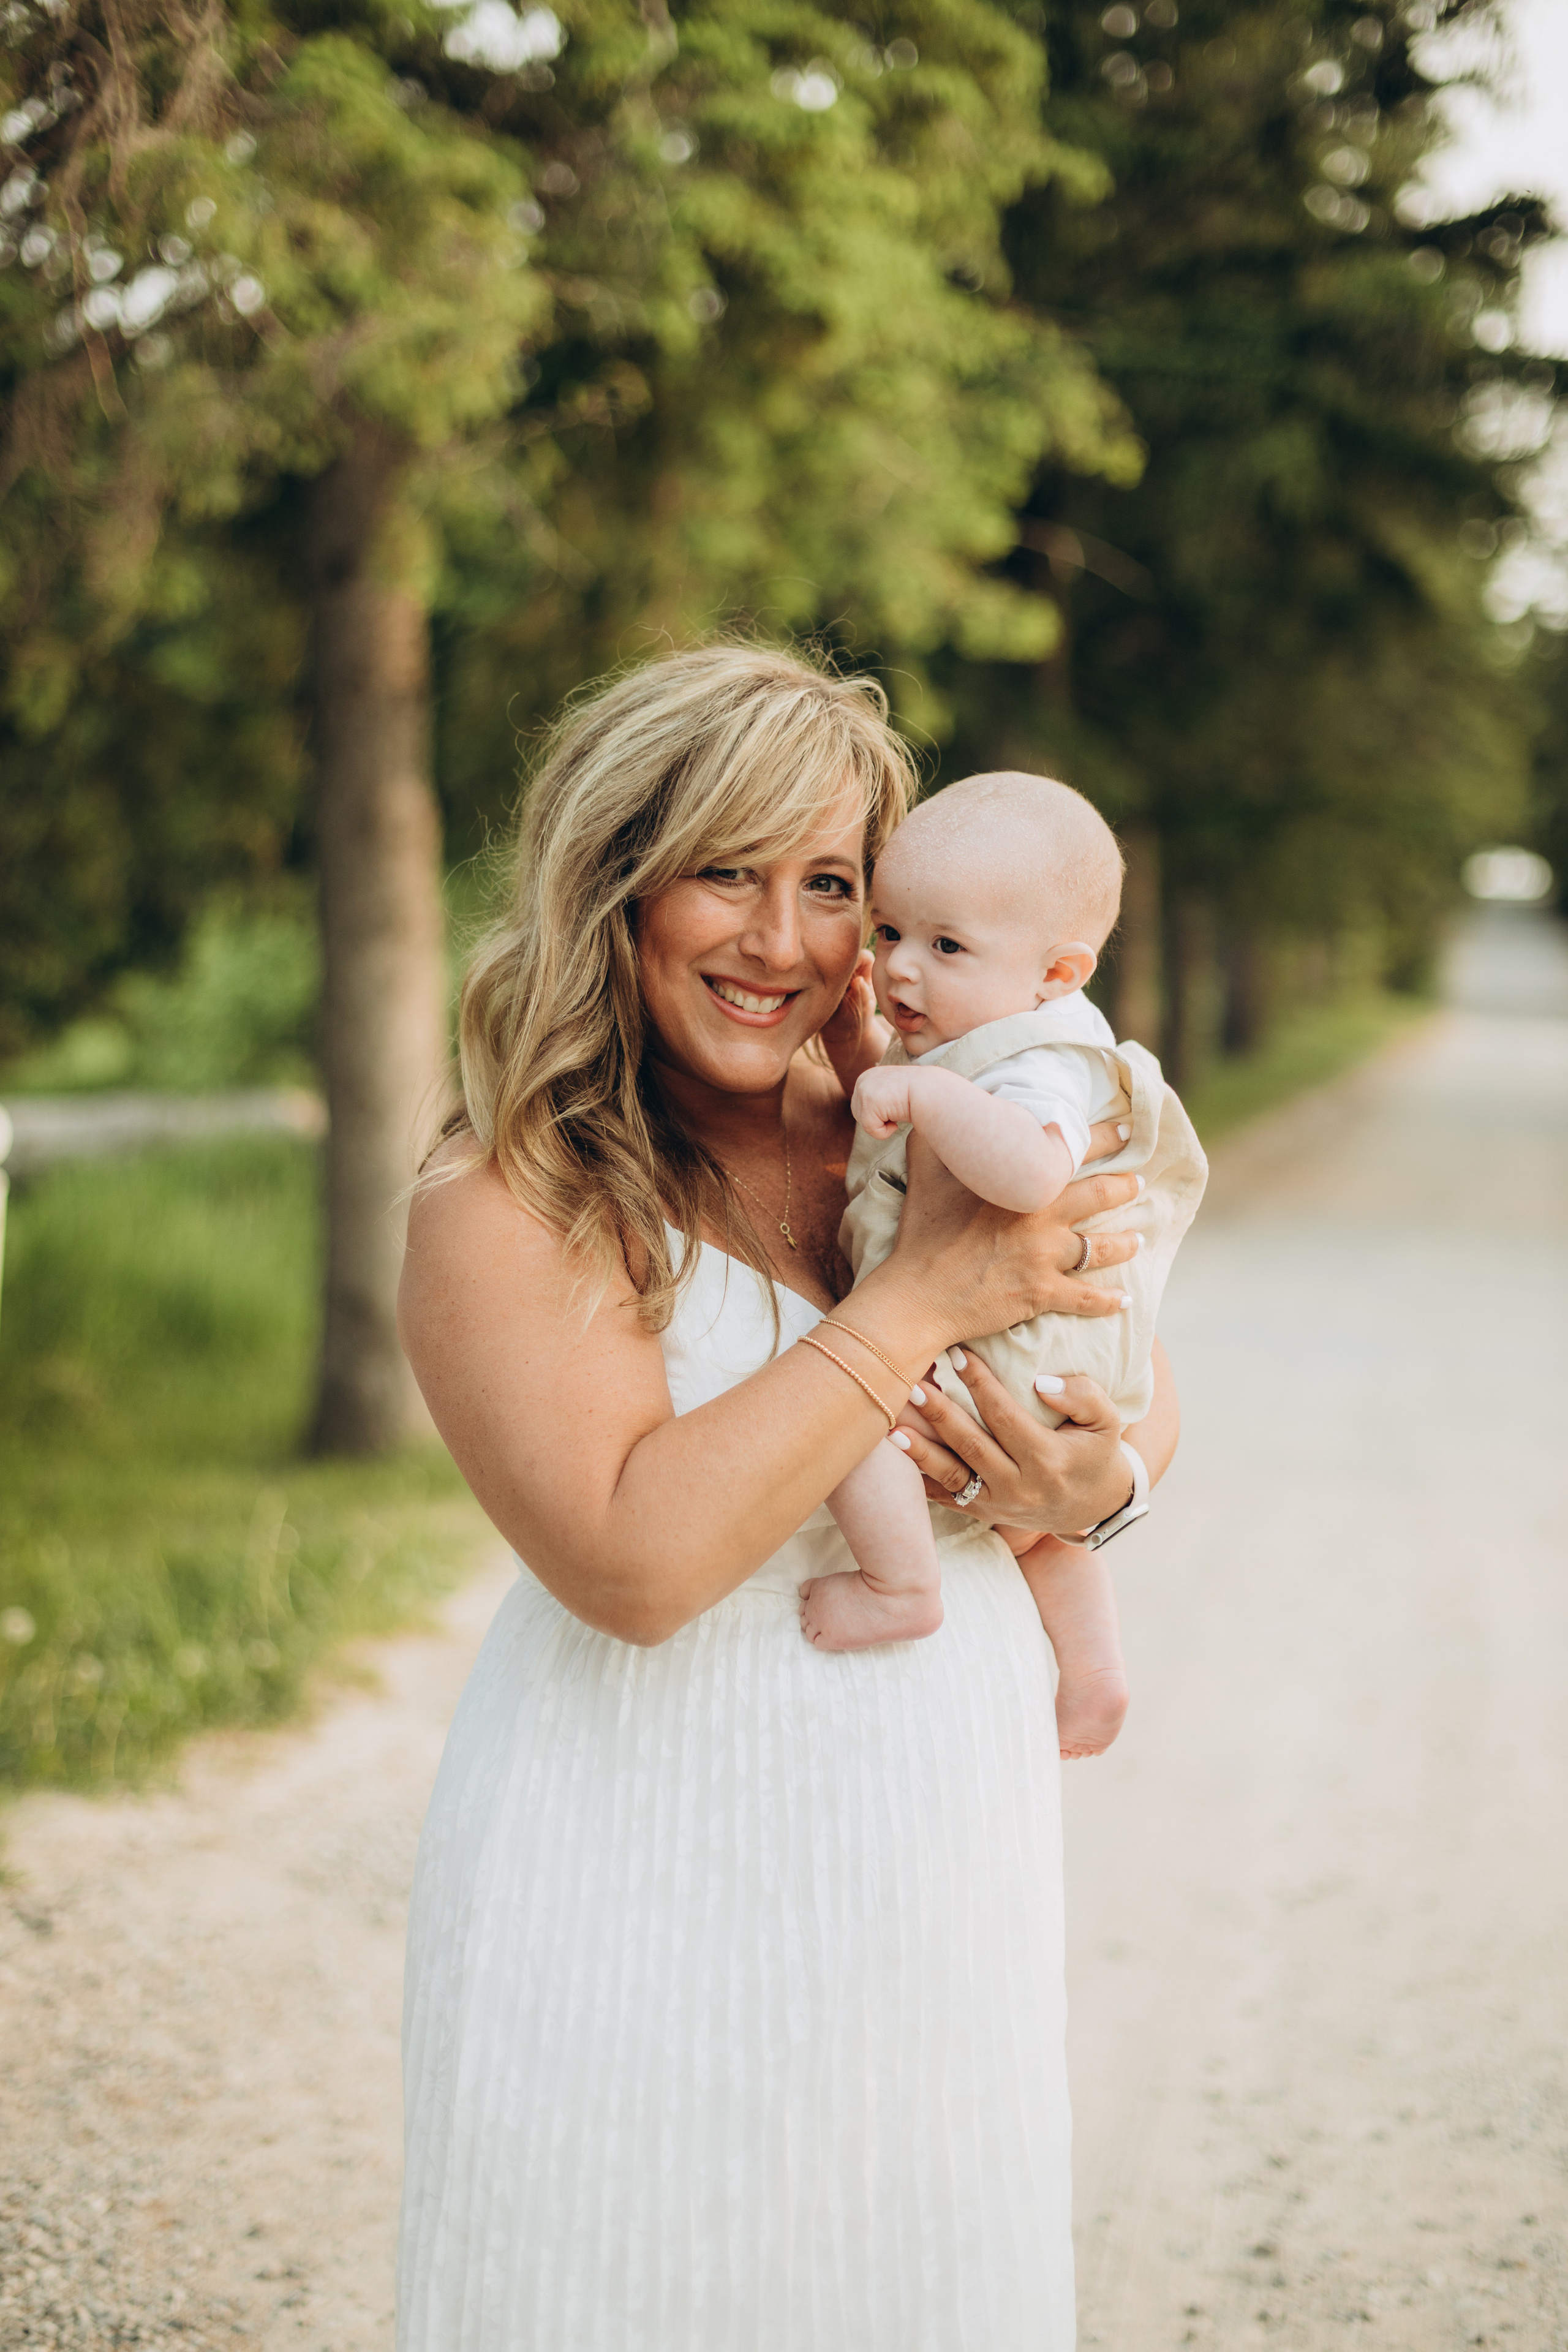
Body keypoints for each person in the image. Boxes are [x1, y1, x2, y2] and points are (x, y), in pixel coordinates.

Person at [394, 643, 1179, 2351]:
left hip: (935, 1824)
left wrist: (1094, 1485)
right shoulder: (506, 1195)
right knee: (621, 2271)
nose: (785, 942)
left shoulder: (935, 1118)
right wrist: (915, 1310)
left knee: (916, 2274)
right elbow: (635, 1565)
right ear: (617, 885)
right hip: (638, 1831)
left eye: (832, 884)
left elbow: (1136, 1404)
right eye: (726, 874)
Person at [797, 772, 1207, 1766]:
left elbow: (1025, 1171)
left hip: (1001, 1352)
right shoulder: (990, 1041)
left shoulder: (1041, 1062)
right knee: (1041, 1534)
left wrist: (920, 1097)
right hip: (1047, 1364)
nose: (899, 970)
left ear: (1060, 974)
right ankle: (1097, 1678)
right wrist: (880, 1067)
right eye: (889, 932)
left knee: (841, 1415)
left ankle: (902, 1588)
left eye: (947, 947)